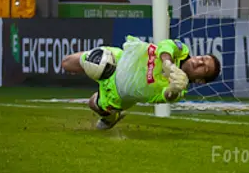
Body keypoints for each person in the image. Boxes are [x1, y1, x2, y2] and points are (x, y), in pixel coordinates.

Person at [62, 35, 221, 130]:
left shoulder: (180, 90)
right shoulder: (181, 51)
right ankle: (109, 113)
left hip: (117, 92)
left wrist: (173, 88)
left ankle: (111, 117)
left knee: (93, 103)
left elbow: (168, 96)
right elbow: (166, 46)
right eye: (202, 58)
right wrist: (168, 64)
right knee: (67, 63)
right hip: (118, 60)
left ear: (200, 80)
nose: (199, 62)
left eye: (204, 69)